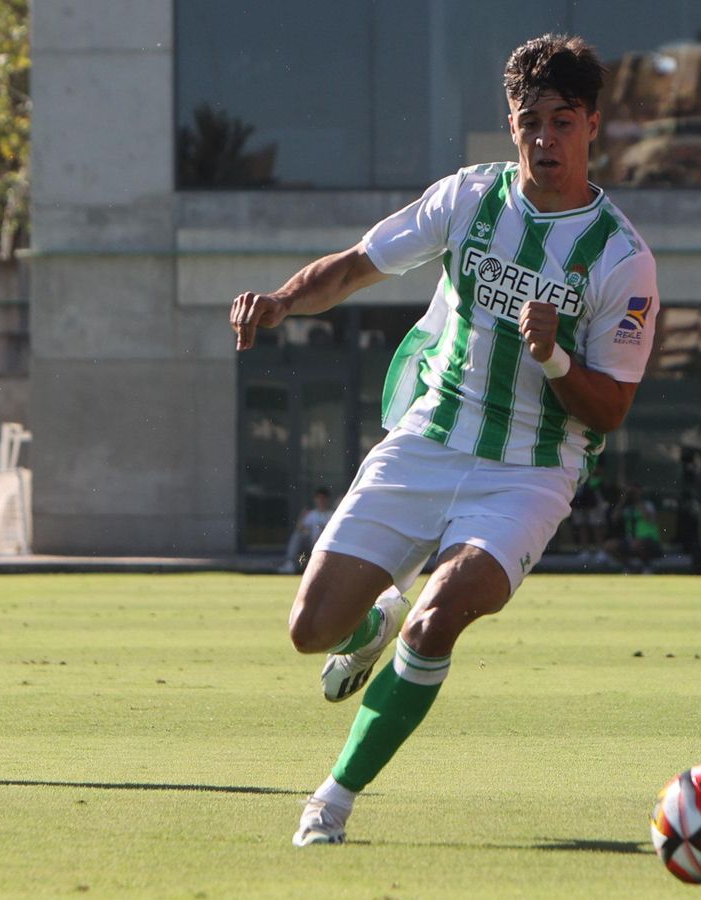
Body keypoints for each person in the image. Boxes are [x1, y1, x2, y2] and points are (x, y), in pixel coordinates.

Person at [228, 34, 659, 847]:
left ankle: (332, 799)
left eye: (562, 121)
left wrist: (556, 355)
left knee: (438, 620)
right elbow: (359, 264)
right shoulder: (467, 197)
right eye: (529, 120)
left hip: (529, 472)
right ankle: (365, 626)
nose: (544, 138)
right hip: (428, 437)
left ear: (592, 125)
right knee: (308, 631)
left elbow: (609, 411)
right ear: (511, 121)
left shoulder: (623, 260)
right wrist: (283, 300)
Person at [605, 482, 663, 574]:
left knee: (637, 544)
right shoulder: (627, 507)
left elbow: (647, 517)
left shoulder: (648, 505)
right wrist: (623, 499)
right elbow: (614, 518)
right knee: (609, 545)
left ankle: (647, 565)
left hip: (650, 540)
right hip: (631, 541)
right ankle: (629, 566)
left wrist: (637, 499)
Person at [278, 487, 334, 574]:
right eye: (319, 498)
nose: (321, 501)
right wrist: (301, 517)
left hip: (325, 545)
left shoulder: (332, 514)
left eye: (323, 498)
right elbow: (300, 529)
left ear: (327, 499)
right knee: (297, 535)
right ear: (316, 499)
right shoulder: (312, 514)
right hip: (311, 543)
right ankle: (290, 564)